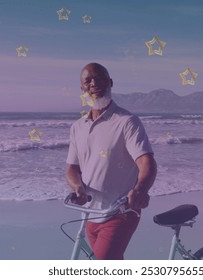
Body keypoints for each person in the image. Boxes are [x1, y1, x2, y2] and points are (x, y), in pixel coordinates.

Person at [65, 62, 157, 260]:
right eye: (87, 80)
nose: (93, 83)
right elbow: (72, 167)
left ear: (110, 82)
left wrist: (140, 189)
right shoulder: (77, 127)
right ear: (82, 88)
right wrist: (77, 187)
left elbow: (146, 162)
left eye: (99, 78)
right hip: (89, 214)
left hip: (121, 212)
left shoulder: (126, 122)